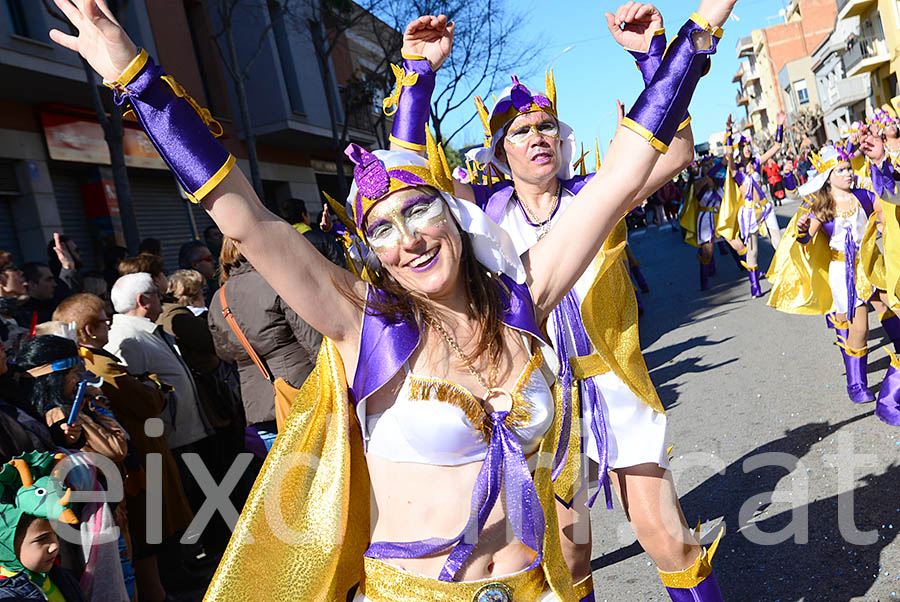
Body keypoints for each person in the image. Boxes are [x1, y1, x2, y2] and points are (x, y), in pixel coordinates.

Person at [49, 0, 733, 599]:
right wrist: (135, 77)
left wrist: (698, 32)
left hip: (533, 588)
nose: (407, 240)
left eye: (419, 214)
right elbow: (246, 217)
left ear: (457, 219)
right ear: (371, 251)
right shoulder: (364, 326)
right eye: (382, 229)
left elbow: (622, 173)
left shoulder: (525, 297)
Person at [389, 5, 724, 600]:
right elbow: (409, 184)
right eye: (520, 131)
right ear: (499, 152)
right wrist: (419, 75)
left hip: (612, 385)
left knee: (665, 536)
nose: (536, 137)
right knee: (567, 558)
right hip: (539, 401)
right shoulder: (481, 215)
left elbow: (672, 157)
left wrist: (651, 58)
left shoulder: (597, 196)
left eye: (546, 126)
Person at [53, 293, 194, 602]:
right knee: (147, 533)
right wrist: (155, 383)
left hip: (136, 454)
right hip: (132, 456)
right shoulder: (98, 364)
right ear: (90, 330)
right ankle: (163, 588)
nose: (111, 325)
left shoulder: (95, 360)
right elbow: (144, 401)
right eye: (106, 320)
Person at [208, 237, 322, 452]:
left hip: (257, 404)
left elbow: (224, 353)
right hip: (302, 391)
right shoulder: (276, 281)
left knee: (288, 482)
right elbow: (312, 342)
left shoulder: (218, 299)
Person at [0, 453, 86, 602]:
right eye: (41, 539)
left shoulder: (62, 578)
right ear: (8, 545)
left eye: (55, 534)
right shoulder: (7, 597)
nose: (55, 546)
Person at [722, 113, 786, 297]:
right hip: (749, 213)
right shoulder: (736, 171)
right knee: (753, 249)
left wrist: (779, 126)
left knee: (778, 241)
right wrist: (728, 130)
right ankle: (754, 285)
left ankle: (786, 276)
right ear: (739, 150)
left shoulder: (757, 164)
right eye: (744, 146)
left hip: (766, 207)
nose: (748, 149)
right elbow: (727, 154)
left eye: (748, 145)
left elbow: (776, 147)